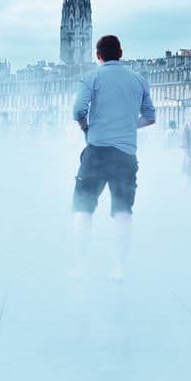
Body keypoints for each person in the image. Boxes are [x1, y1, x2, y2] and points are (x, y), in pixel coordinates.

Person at [71, 35, 156, 281]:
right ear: (120, 52)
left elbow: (78, 110)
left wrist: (87, 128)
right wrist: (129, 126)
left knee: (83, 209)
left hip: (96, 149)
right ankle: (118, 268)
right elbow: (150, 117)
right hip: (125, 154)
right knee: (122, 210)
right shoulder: (138, 80)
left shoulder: (91, 77)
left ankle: (80, 266)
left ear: (98, 56)